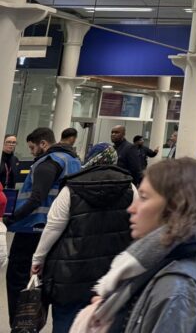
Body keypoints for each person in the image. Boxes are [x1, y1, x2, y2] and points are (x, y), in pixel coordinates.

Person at [73, 158, 196, 331]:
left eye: (143, 198)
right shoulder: (163, 263)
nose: (132, 208)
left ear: (176, 207)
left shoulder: (177, 290)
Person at [31, 143, 136, 333]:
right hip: (111, 271)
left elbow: (53, 228)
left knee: (66, 321)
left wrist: (38, 259)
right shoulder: (129, 187)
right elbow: (136, 226)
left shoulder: (71, 188)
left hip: (69, 271)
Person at [4, 127, 81, 329]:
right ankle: (34, 322)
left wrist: (11, 218)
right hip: (58, 231)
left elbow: (36, 197)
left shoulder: (48, 163)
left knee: (18, 279)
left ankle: (21, 324)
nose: (32, 152)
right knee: (43, 281)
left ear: (43, 144)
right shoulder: (73, 161)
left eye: (32, 147)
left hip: (33, 229)